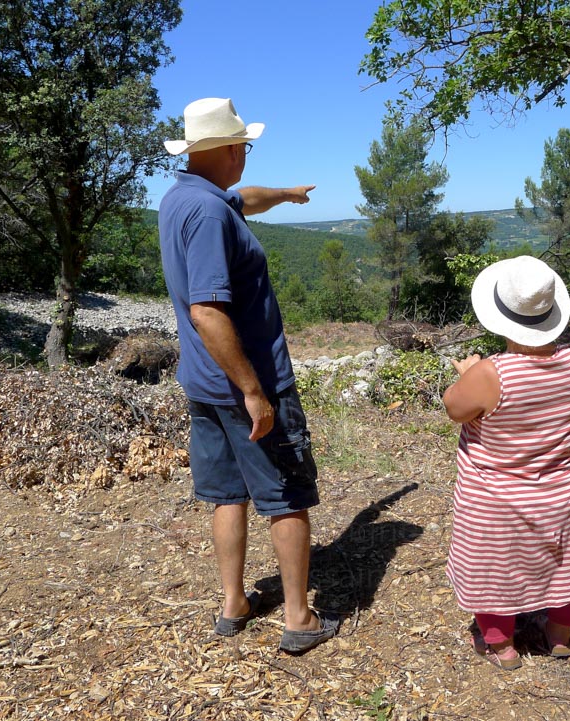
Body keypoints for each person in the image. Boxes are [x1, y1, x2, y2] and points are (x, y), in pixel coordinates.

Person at [158, 97, 339, 654]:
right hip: (246, 384)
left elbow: (245, 200)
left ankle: (234, 603)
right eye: (244, 147)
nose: (245, 157)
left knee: (226, 495)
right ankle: (298, 618)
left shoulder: (187, 198)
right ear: (229, 148)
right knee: (285, 496)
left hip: (205, 383)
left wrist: (287, 194)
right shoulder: (211, 214)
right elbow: (208, 311)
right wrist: (255, 391)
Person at [441, 255, 570, 670]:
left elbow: (455, 408)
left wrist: (468, 373)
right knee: (568, 561)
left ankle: (501, 646)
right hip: (566, 489)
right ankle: (560, 635)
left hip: (498, 495)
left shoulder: (490, 374)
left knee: (495, 567)